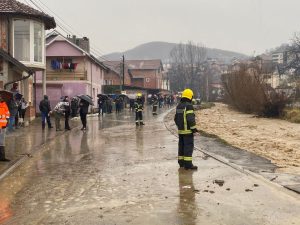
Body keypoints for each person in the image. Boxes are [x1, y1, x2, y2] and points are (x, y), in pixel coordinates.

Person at [174, 89, 198, 170]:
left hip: (180, 131)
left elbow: (175, 118)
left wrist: (180, 126)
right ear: (190, 96)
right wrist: (194, 130)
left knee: (181, 147)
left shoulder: (179, 105)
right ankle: (188, 165)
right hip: (188, 132)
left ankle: (181, 163)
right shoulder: (189, 106)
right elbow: (190, 119)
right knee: (188, 147)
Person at [0, 95, 10, 162]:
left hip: (3, 126)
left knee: (2, 142)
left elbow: (7, 114)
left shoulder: (4, 104)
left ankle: (2, 157)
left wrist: (7, 121)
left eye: (0, 97)